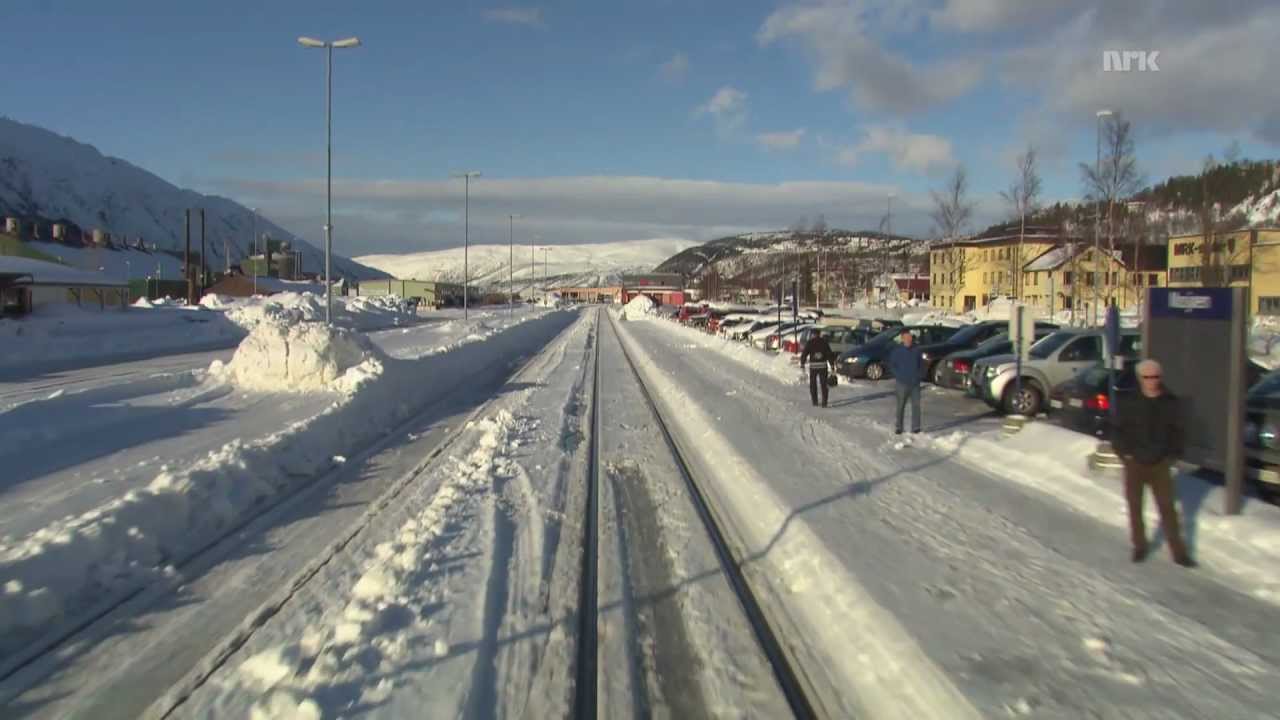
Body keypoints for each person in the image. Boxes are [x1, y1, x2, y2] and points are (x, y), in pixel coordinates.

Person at [1112, 358, 1194, 566]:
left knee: (1167, 507)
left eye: (1155, 377)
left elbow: (1179, 432)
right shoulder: (1129, 401)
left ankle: (1179, 552)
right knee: (1135, 506)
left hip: (1160, 464)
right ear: (1140, 378)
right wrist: (1125, 454)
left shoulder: (1170, 402)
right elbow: (1117, 430)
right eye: (1147, 377)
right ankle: (1139, 546)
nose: (1151, 381)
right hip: (1134, 462)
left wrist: (1171, 456)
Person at [887, 329, 924, 434]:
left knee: (916, 406)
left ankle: (916, 427)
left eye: (910, 337)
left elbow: (921, 364)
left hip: (915, 383)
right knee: (901, 406)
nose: (909, 339)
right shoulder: (897, 351)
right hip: (902, 383)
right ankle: (899, 427)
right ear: (902, 339)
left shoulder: (917, 350)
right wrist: (898, 375)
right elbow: (892, 365)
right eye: (907, 338)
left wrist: (919, 375)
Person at [799, 330, 837, 407]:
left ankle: (815, 401)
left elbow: (804, 354)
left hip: (813, 367)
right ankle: (824, 402)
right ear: (819, 334)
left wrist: (802, 364)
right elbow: (829, 354)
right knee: (824, 384)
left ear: (813, 335)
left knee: (813, 384)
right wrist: (832, 365)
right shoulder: (824, 342)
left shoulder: (810, 342)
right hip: (823, 366)